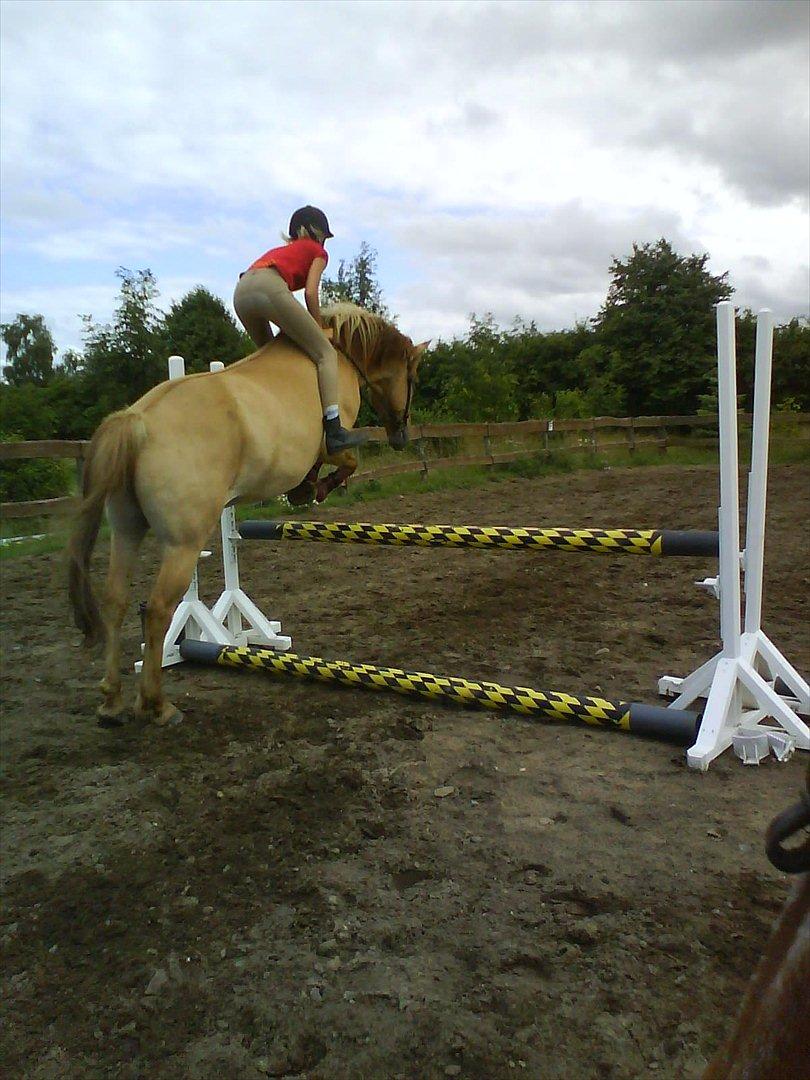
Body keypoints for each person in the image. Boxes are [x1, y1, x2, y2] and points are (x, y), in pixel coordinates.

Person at [233, 205, 367, 454]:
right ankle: (335, 430)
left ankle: (270, 416)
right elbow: (310, 292)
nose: (325, 244)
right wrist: (318, 328)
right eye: (325, 238)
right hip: (268, 287)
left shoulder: (281, 250)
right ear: (316, 234)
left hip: (241, 292)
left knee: (271, 359)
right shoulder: (317, 251)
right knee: (325, 353)